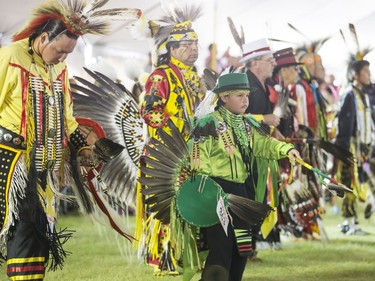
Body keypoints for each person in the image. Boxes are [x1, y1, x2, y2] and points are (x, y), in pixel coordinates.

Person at [0, 1, 141, 280]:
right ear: (43, 38)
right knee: (19, 226)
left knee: (37, 229)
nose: (63, 57)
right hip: (10, 162)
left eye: (68, 53)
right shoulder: (10, 57)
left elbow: (67, 119)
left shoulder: (58, 70)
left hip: (43, 167)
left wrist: (85, 147)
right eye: (60, 50)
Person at [190, 72, 300, 281]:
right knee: (221, 249)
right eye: (239, 95)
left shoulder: (245, 124)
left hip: (242, 192)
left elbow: (264, 144)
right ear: (223, 97)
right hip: (217, 193)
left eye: (247, 95)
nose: (246, 100)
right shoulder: (207, 124)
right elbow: (198, 161)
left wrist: (286, 149)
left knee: (242, 248)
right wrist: (205, 193)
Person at [135, 6, 205, 275]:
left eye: (195, 43)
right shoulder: (161, 75)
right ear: (172, 49)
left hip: (189, 152)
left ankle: (184, 253)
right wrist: (175, 128)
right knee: (165, 205)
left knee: (186, 202)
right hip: (165, 152)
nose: (193, 49)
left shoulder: (193, 77)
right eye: (187, 44)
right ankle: (162, 258)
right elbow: (150, 112)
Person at [334, 60, 373, 235]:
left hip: (364, 147)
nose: (369, 75)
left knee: (360, 183)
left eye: (369, 72)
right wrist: (342, 150)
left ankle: (353, 222)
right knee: (349, 183)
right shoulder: (349, 94)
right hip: (350, 147)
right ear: (355, 74)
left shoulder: (363, 94)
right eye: (365, 72)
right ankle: (348, 224)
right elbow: (345, 124)